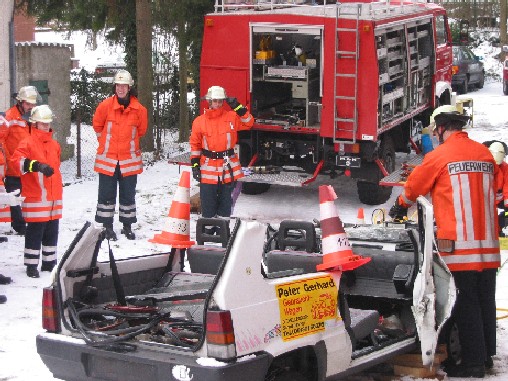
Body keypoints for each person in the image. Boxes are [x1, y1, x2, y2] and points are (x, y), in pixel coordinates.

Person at [389, 105, 501, 378]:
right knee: (484, 300)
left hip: (459, 248)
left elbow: (414, 187)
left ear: (441, 128)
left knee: (463, 303)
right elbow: (496, 193)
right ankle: (485, 356)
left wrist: (400, 205)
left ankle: (473, 364)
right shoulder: (485, 154)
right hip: (488, 247)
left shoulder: (439, 156)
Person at [92, 70, 148, 241]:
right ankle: (107, 226)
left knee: (128, 195)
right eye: (118, 85)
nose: (121, 89)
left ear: (129, 87)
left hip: (129, 161)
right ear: (114, 87)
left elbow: (141, 131)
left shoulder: (139, 110)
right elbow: (97, 125)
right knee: (106, 195)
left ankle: (127, 226)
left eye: (124, 86)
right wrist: (106, 144)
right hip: (108, 160)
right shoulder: (105, 106)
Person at [12, 105, 62, 278]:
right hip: (36, 197)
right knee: (35, 232)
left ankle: (49, 263)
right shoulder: (27, 142)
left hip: (53, 198)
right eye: (42, 123)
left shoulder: (55, 144)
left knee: (51, 232)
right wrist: (37, 166)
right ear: (34, 124)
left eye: (48, 123)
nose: (46, 126)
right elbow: (17, 162)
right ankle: (31, 265)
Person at [189, 86, 253, 222]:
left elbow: (249, 122)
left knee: (225, 203)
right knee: (208, 203)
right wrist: (195, 165)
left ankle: (223, 232)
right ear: (209, 101)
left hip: (228, 167)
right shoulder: (199, 122)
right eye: (214, 101)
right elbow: (195, 145)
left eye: (220, 101)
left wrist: (237, 106)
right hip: (208, 168)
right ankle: (209, 230)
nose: (217, 104)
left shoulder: (232, 117)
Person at [4, 86, 39, 235]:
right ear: (20, 102)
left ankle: (27, 221)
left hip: (29, 164)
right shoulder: (9, 117)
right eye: (28, 104)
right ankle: (18, 226)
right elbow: (2, 138)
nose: (31, 107)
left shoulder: (33, 117)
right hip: (14, 165)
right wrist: (8, 160)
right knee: (15, 196)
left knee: (28, 195)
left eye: (33, 104)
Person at [483, 140, 508, 237]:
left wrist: (507, 204)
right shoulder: (483, 166)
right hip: (487, 201)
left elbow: (507, 186)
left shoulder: (505, 168)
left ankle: (501, 229)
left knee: (505, 216)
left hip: (500, 201)